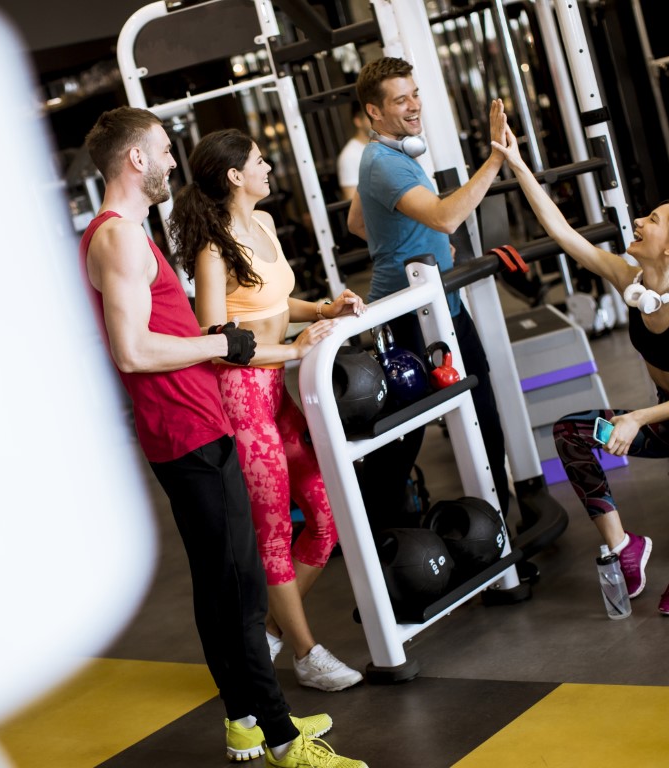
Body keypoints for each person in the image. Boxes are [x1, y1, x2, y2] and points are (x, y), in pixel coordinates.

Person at [81, 107, 367, 768]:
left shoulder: (127, 233)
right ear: (135, 161)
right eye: (162, 151)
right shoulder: (119, 237)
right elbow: (130, 351)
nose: (173, 164)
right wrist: (223, 343)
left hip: (193, 423)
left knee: (222, 586)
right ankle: (283, 739)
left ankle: (246, 721)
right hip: (186, 430)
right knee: (238, 588)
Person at [490, 123, 669, 615]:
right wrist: (516, 165)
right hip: (667, 422)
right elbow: (561, 232)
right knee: (573, 432)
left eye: (654, 220)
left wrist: (638, 416)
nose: (639, 221)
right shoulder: (628, 279)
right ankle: (624, 547)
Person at [168, 128, 366, 693]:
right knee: (274, 530)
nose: (269, 166)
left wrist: (324, 306)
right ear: (235, 176)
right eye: (259, 160)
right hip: (239, 402)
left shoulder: (267, 225)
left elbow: (276, 302)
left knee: (325, 515)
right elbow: (215, 336)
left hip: (275, 392)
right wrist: (294, 348)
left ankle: (264, 634)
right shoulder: (213, 248)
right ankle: (305, 652)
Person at [347, 57, 512, 517]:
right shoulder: (384, 162)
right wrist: (496, 157)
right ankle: (379, 536)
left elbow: (358, 222)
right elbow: (445, 215)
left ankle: (497, 520)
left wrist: (431, 244)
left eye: (415, 94)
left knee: (481, 411)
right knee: (406, 436)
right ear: (373, 112)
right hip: (408, 314)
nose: (415, 105)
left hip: (441, 305)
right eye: (401, 100)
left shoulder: (387, 155)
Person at [336, 103, 371, 200]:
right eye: (370, 117)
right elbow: (351, 200)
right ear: (358, 121)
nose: (376, 120)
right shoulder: (349, 156)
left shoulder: (385, 144)